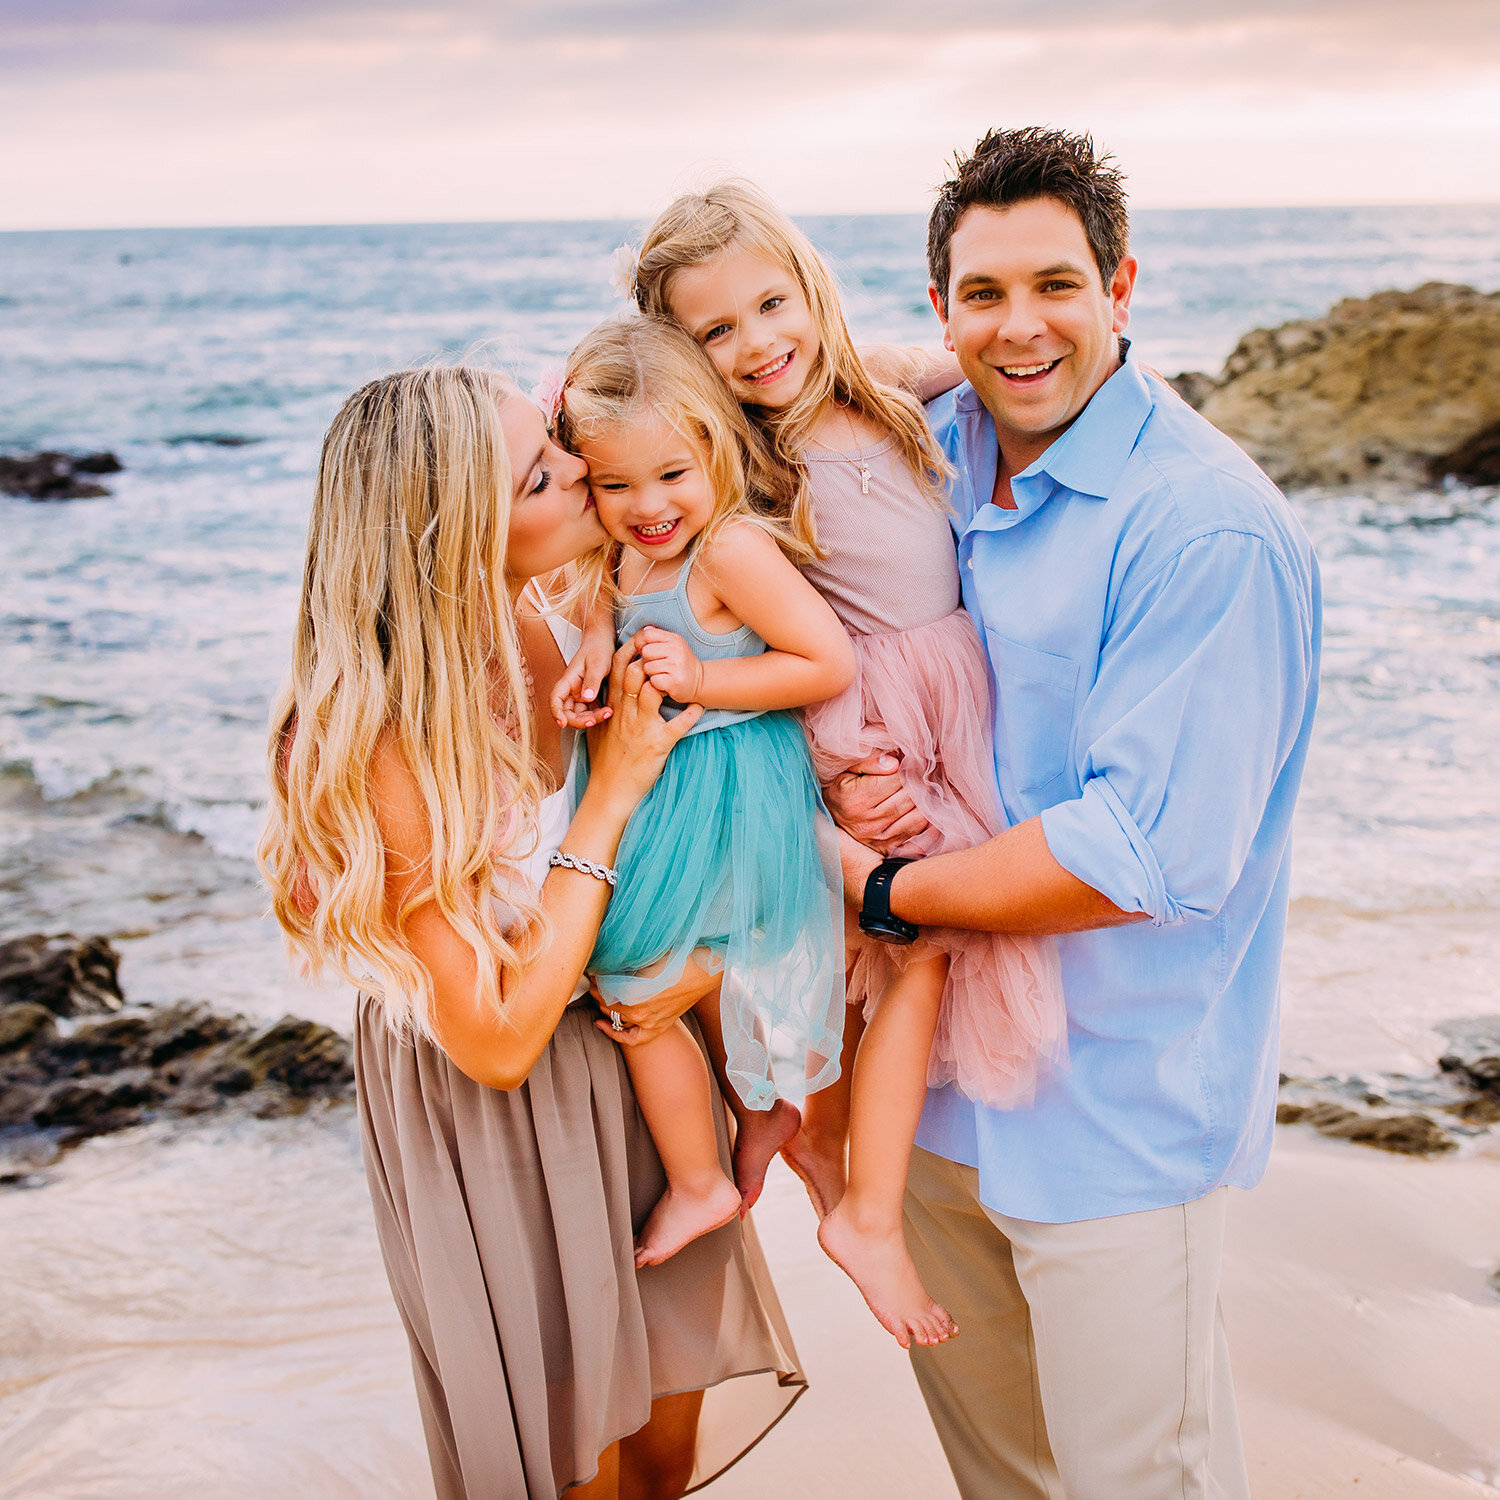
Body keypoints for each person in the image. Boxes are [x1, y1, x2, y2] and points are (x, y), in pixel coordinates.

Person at [829, 127, 1322, 1498]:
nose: (1019, 325)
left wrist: (877, 894)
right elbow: (698, 403)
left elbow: (1137, 855)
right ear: (939, 310)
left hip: (1114, 1104)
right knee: (1008, 1484)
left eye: (1055, 283)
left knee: (1138, 1486)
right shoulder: (914, 455)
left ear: (1122, 286)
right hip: (928, 1100)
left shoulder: (1203, 527)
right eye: (981, 295)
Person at [257, 366, 805, 1500]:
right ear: (454, 526)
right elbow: (497, 1037)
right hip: (495, 1117)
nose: (585, 483)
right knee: (576, 1473)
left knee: (663, 1457)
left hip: (631, 1058)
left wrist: (706, 979)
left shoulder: (560, 630)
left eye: (561, 448)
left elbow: (695, 857)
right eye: (545, 472)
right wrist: (608, 797)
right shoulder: (381, 736)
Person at [590, 180, 1068, 1352]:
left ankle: (795, 1143)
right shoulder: (749, 464)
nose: (758, 344)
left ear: (810, 286)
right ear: (687, 359)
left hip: (954, 701)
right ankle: (854, 1203)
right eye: (717, 332)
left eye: (771, 303)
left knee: (894, 950)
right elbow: (656, 542)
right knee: (913, 944)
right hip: (870, 726)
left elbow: (972, 350)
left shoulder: (880, 382)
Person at [553, 314, 853, 1270]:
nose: (647, 505)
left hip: (729, 795)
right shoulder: (619, 549)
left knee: (630, 981)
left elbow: (825, 661)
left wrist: (704, 679)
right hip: (661, 795)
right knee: (664, 976)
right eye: (615, 483)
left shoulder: (726, 552)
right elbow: (607, 601)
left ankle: (701, 1182)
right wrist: (596, 652)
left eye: (671, 475)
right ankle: (760, 1117)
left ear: (714, 446)